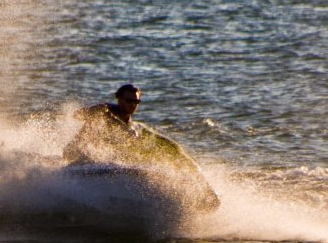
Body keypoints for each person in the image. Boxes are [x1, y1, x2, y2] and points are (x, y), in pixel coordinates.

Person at [63, 85, 219, 209]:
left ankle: (203, 189)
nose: (132, 105)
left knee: (172, 148)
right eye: (128, 101)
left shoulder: (134, 128)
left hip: (108, 161)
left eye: (136, 102)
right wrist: (98, 112)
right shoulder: (105, 111)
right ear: (119, 99)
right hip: (79, 156)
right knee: (104, 128)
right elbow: (76, 115)